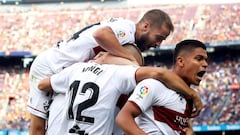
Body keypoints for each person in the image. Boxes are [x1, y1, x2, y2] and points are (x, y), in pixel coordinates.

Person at [27, 9, 175, 135]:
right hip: (49, 67)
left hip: (68, 71)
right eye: (159, 38)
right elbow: (100, 34)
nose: (158, 44)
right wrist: (130, 59)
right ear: (145, 26)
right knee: (38, 127)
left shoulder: (124, 33)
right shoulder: (127, 29)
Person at [37, 44, 199, 135]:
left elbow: (42, 85)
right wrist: (192, 94)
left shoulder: (76, 69)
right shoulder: (117, 74)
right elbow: (158, 73)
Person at [116, 39, 208, 135]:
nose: (205, 64)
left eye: (206, 60)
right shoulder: (154, 85)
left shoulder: (188, 98)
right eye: (199, 59)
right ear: (180, 61)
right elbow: (123, 118)